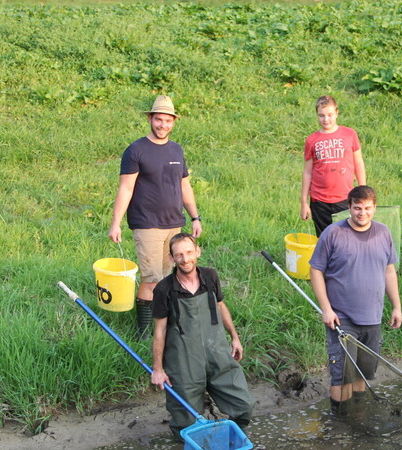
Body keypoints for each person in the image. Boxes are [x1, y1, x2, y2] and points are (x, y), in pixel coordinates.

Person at [108, 95, 203, 340]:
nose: (163, 125)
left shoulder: (176, 149)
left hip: (174, 223)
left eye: (168, 120)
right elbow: (125, 189)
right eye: (159, 119)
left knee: (167, 276)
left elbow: (184, 186)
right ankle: (143, 333)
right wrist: (116, 223)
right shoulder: (136, 150)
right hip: (147, 224)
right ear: (150, 119)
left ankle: (165, 326)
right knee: (152, 279)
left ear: (174, 122)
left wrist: (195, 217)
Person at [150, 233, 254, 440]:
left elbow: (220, 306)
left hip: (217, 352)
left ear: (197, 252)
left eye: (189, 252)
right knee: (185, 421)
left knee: (243, 405)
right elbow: (159, 331)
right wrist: (158, 369)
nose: (185, 259)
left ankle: (232, 439)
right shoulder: (164, 289)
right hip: (184, 361)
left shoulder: (210, 276)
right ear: (171, 258)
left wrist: (234, 337)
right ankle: (187, 443)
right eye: (178, 255)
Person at [309, 185, 402, 415]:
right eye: (357, 208)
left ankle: (358, 418)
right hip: (341, 318)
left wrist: (396, 306)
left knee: (364, 372)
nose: (362, 213)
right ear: (349, 207)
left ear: (375, 208)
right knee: (341, 375)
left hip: (373, 317)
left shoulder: (383, 232)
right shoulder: (333, 233)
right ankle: (339, 422)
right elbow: (315, 270)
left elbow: (389, 271)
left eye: (368, 208)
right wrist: (326, 309)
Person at [301, 95, 366, 237]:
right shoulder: (312, 140)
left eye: (330, 115)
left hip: (344, 199)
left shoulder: (349, 134)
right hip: (319, 202)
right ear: (317, 115)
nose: (326, 120)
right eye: (321, 116)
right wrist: (304, 202)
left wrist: (363, 192)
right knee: (325, 240)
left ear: (337, 113)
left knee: (346, 239)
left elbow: (358, 163)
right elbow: (307, 172)